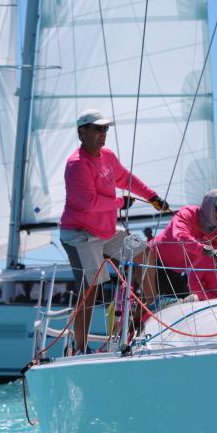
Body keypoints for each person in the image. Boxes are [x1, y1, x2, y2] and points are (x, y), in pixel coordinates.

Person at [60, 109, 169, 354]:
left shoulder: (107, 156)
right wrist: (121, 203)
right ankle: (79, 348)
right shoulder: (76, 164)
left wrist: (152, 197)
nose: (103, 134)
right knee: (91, 289)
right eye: (97, 129)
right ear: (82, 132)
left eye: (105, 129)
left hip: (106, 231)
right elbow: (89, 203)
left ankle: (148, 309)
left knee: (144, 253)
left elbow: (125, 177)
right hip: (80, 235)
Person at [140, 189, 217, 301]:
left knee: (183, 304)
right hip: (154, 261)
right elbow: (180, 236)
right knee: (157, 301)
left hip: (177, 271)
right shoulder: (187, 213)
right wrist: (202, 249)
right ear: (208, 205)